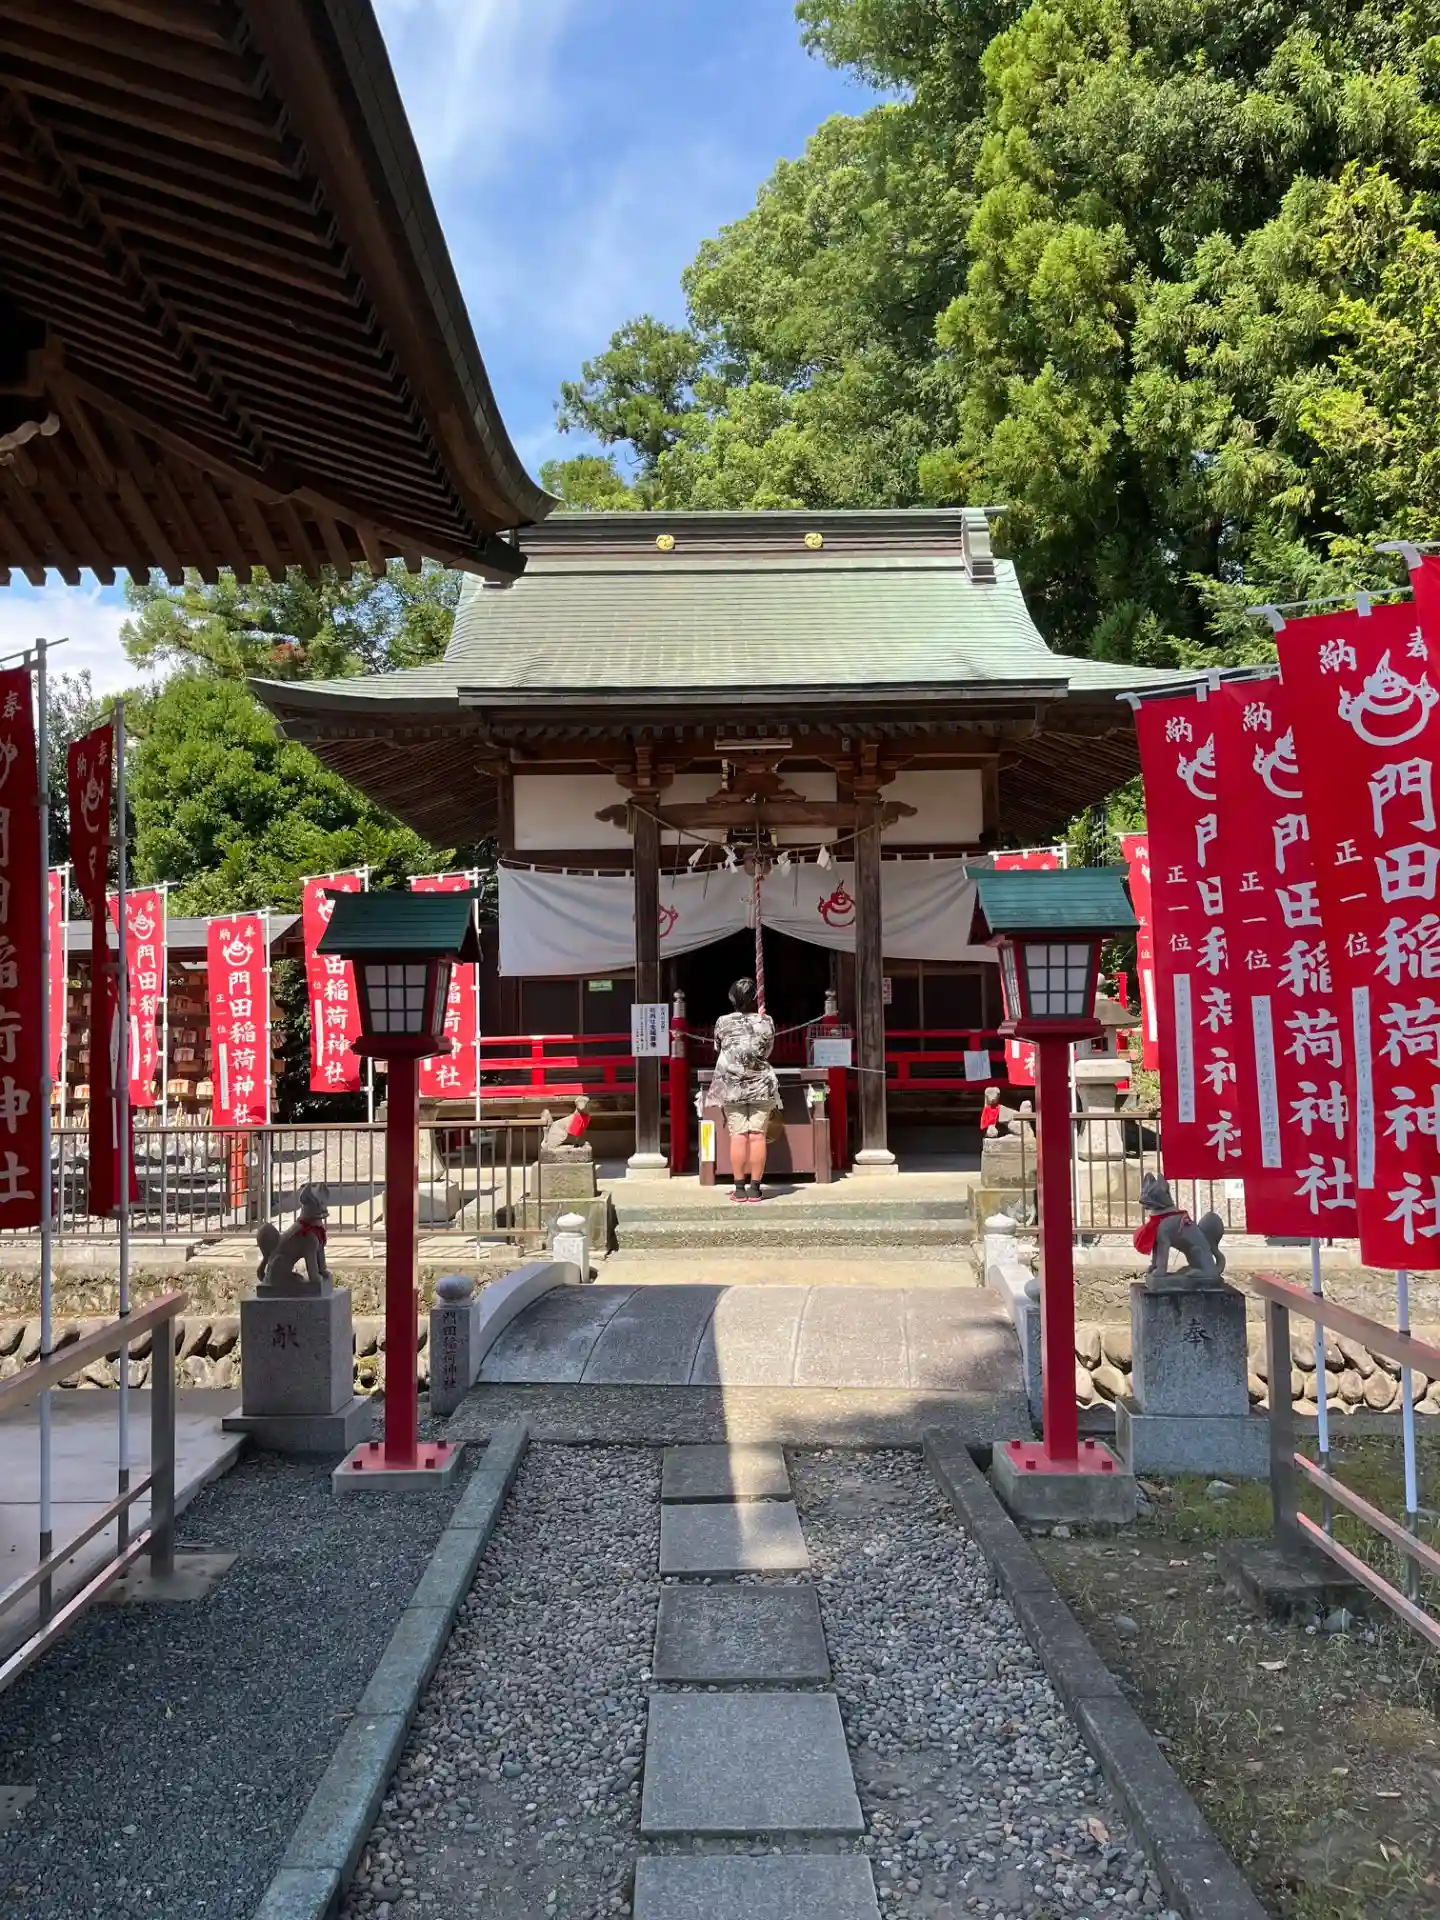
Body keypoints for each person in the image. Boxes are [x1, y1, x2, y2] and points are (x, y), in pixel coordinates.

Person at [711, 976, 779, 1202]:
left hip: (732, 1086)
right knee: (757, 1136)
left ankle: (739, 1189)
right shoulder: (766, 1021)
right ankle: (755, 1188)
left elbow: (718, 1047)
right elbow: (767, 1051)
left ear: (732, 998)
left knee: (738, 1136)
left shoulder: (722, 1022)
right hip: (760, 1084)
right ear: (754, 998)